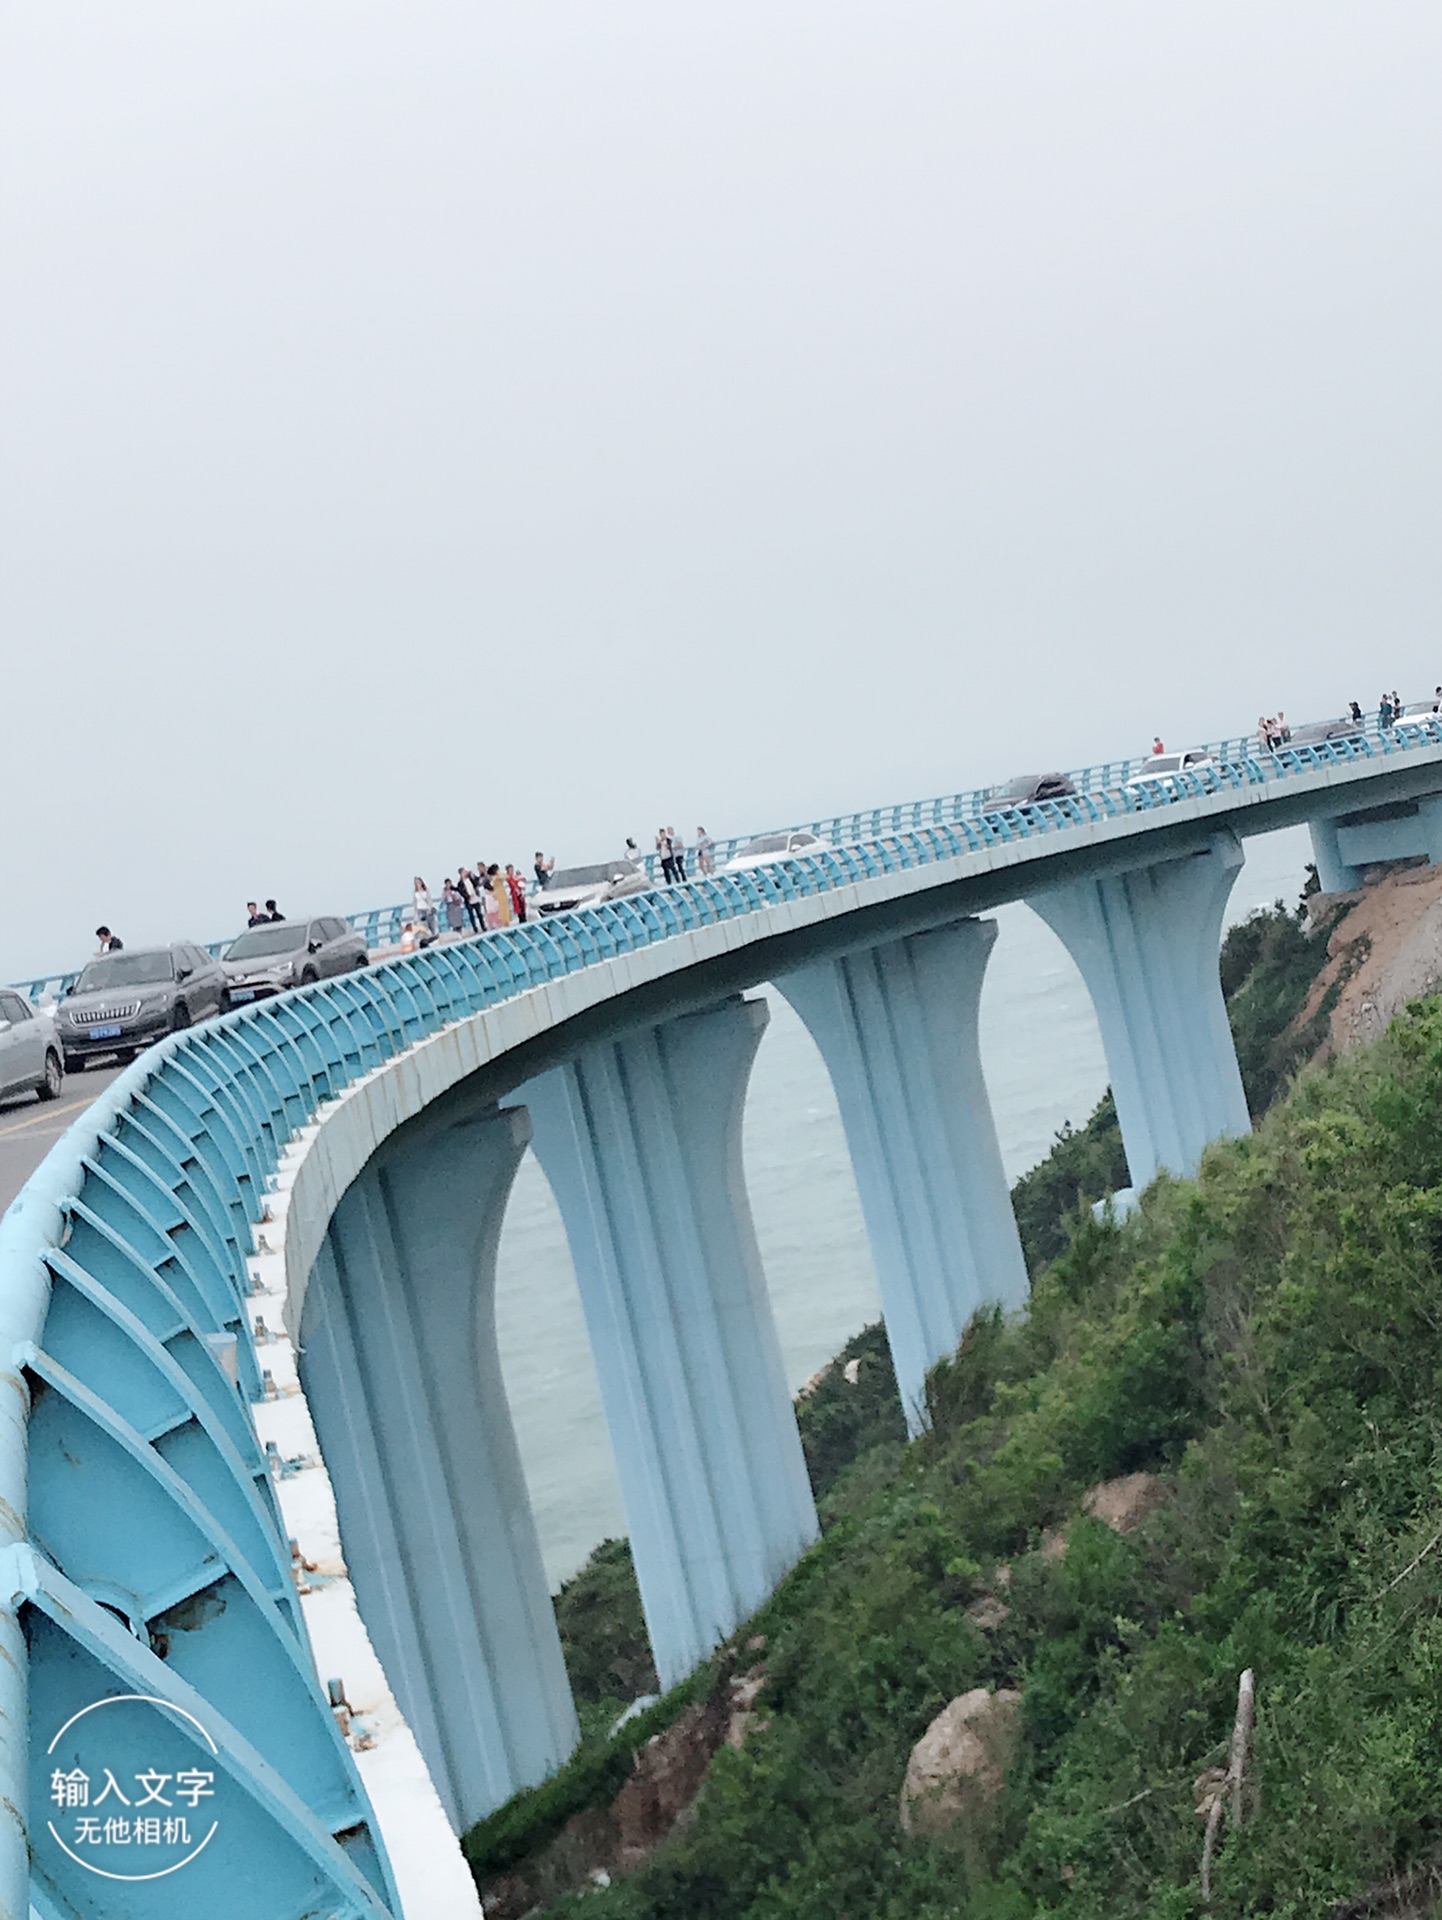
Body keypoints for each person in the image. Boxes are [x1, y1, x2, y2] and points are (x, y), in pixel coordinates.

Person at [458, 866, 484, 932]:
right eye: (464, 872)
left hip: (475, 897)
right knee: (471, 915)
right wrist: (467, 896)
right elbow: (461, 892)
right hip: (469, 900)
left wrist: (472, 875)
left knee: (479, 914)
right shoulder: (460, 883)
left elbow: (477, 883)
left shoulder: (471, 879)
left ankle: (483, 926)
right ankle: (475, 928)